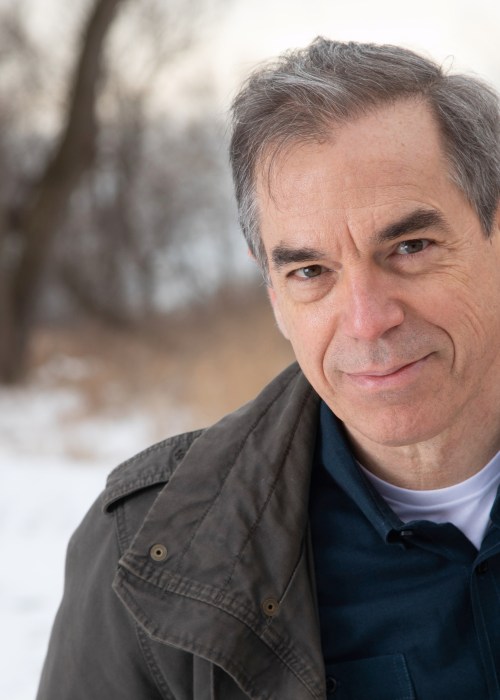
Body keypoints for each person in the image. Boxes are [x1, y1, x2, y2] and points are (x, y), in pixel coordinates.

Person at [37, 38, 500, 700]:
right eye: (311, 271)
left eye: (410, 246)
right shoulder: (147, 555)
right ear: (274, 294)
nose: (367, 320)